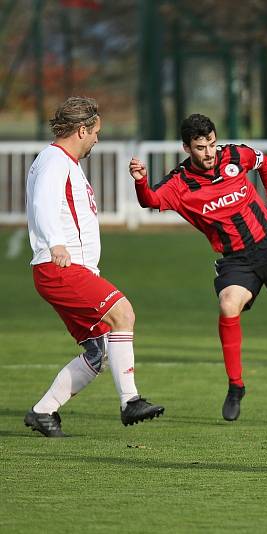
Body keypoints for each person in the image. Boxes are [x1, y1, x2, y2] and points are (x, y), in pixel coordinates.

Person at [128, 114, 267, 421]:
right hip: (235, 260)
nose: (209, 152)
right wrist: (141, 180)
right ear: (186, 148)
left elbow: (266, 165)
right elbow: (150, 200)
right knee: (228, 304)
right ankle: (236, 386)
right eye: (200, 147)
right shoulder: (179, 183)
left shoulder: (236, 155)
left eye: (211, 143)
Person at [24, 96, 165, 437]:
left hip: (72, 269)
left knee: (98, 352)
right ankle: (130, 401)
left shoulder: (63, 162)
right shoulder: (55, 161)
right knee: (124, 313)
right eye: (96, 132)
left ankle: (43, 412)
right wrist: (55, 242)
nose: (97, 140)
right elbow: (44, 203)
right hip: (60, 267)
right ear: (82, 129)